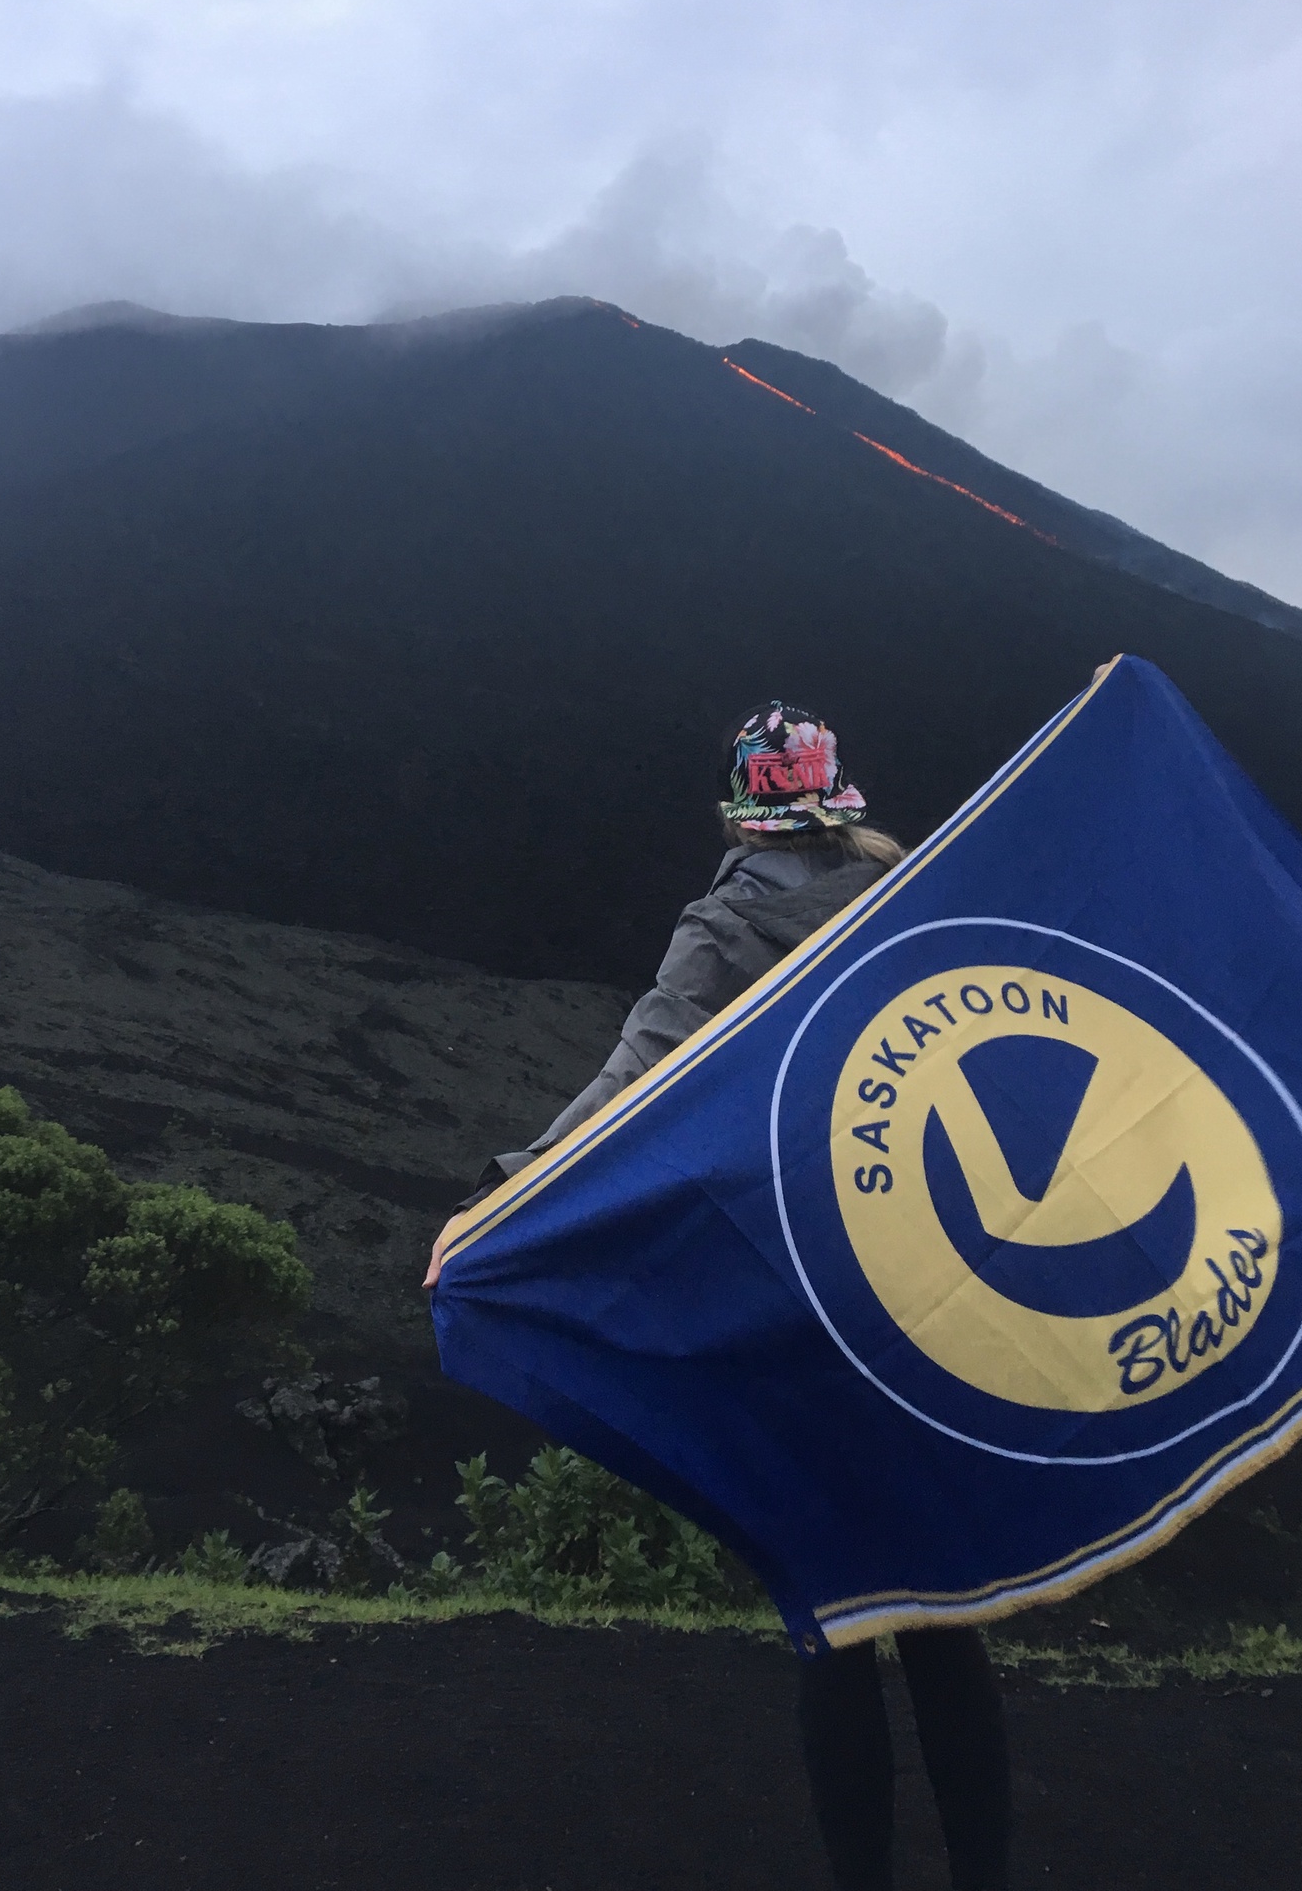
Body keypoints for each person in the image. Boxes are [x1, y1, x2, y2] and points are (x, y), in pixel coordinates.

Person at [425, 700, 1012, 1891]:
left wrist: (505, 1192)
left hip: (791, 1286)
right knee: (945, 1619)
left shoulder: (731, 914)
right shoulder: (910, 886)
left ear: (741, 794)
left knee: (833, 1618)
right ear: (834, 788)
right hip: (923, 1280)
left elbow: (637, 1064)